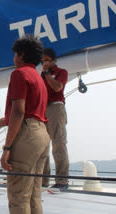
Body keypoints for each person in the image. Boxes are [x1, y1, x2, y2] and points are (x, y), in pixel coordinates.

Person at [0, 35, 49, 214]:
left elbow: (18, 112)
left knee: (18, 197)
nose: (13, 59)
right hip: (42, 134)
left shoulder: (20, 74)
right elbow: (15, 116)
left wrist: (7, 148)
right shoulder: (39, 79)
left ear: (21, 54)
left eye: (15, 55)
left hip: (27, 135)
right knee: (33, 195)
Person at [41, 48, 69, 189]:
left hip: (56, 108)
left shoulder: (61, 72)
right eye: (42, 61)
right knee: (42, 146)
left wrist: (46, 73)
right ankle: (43, 180)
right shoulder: (41, 76)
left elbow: (58, 87)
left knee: (58, 144)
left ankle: (62, 181)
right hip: (42, 109)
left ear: (53, 60)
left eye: (46, 60)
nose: (44, 63)